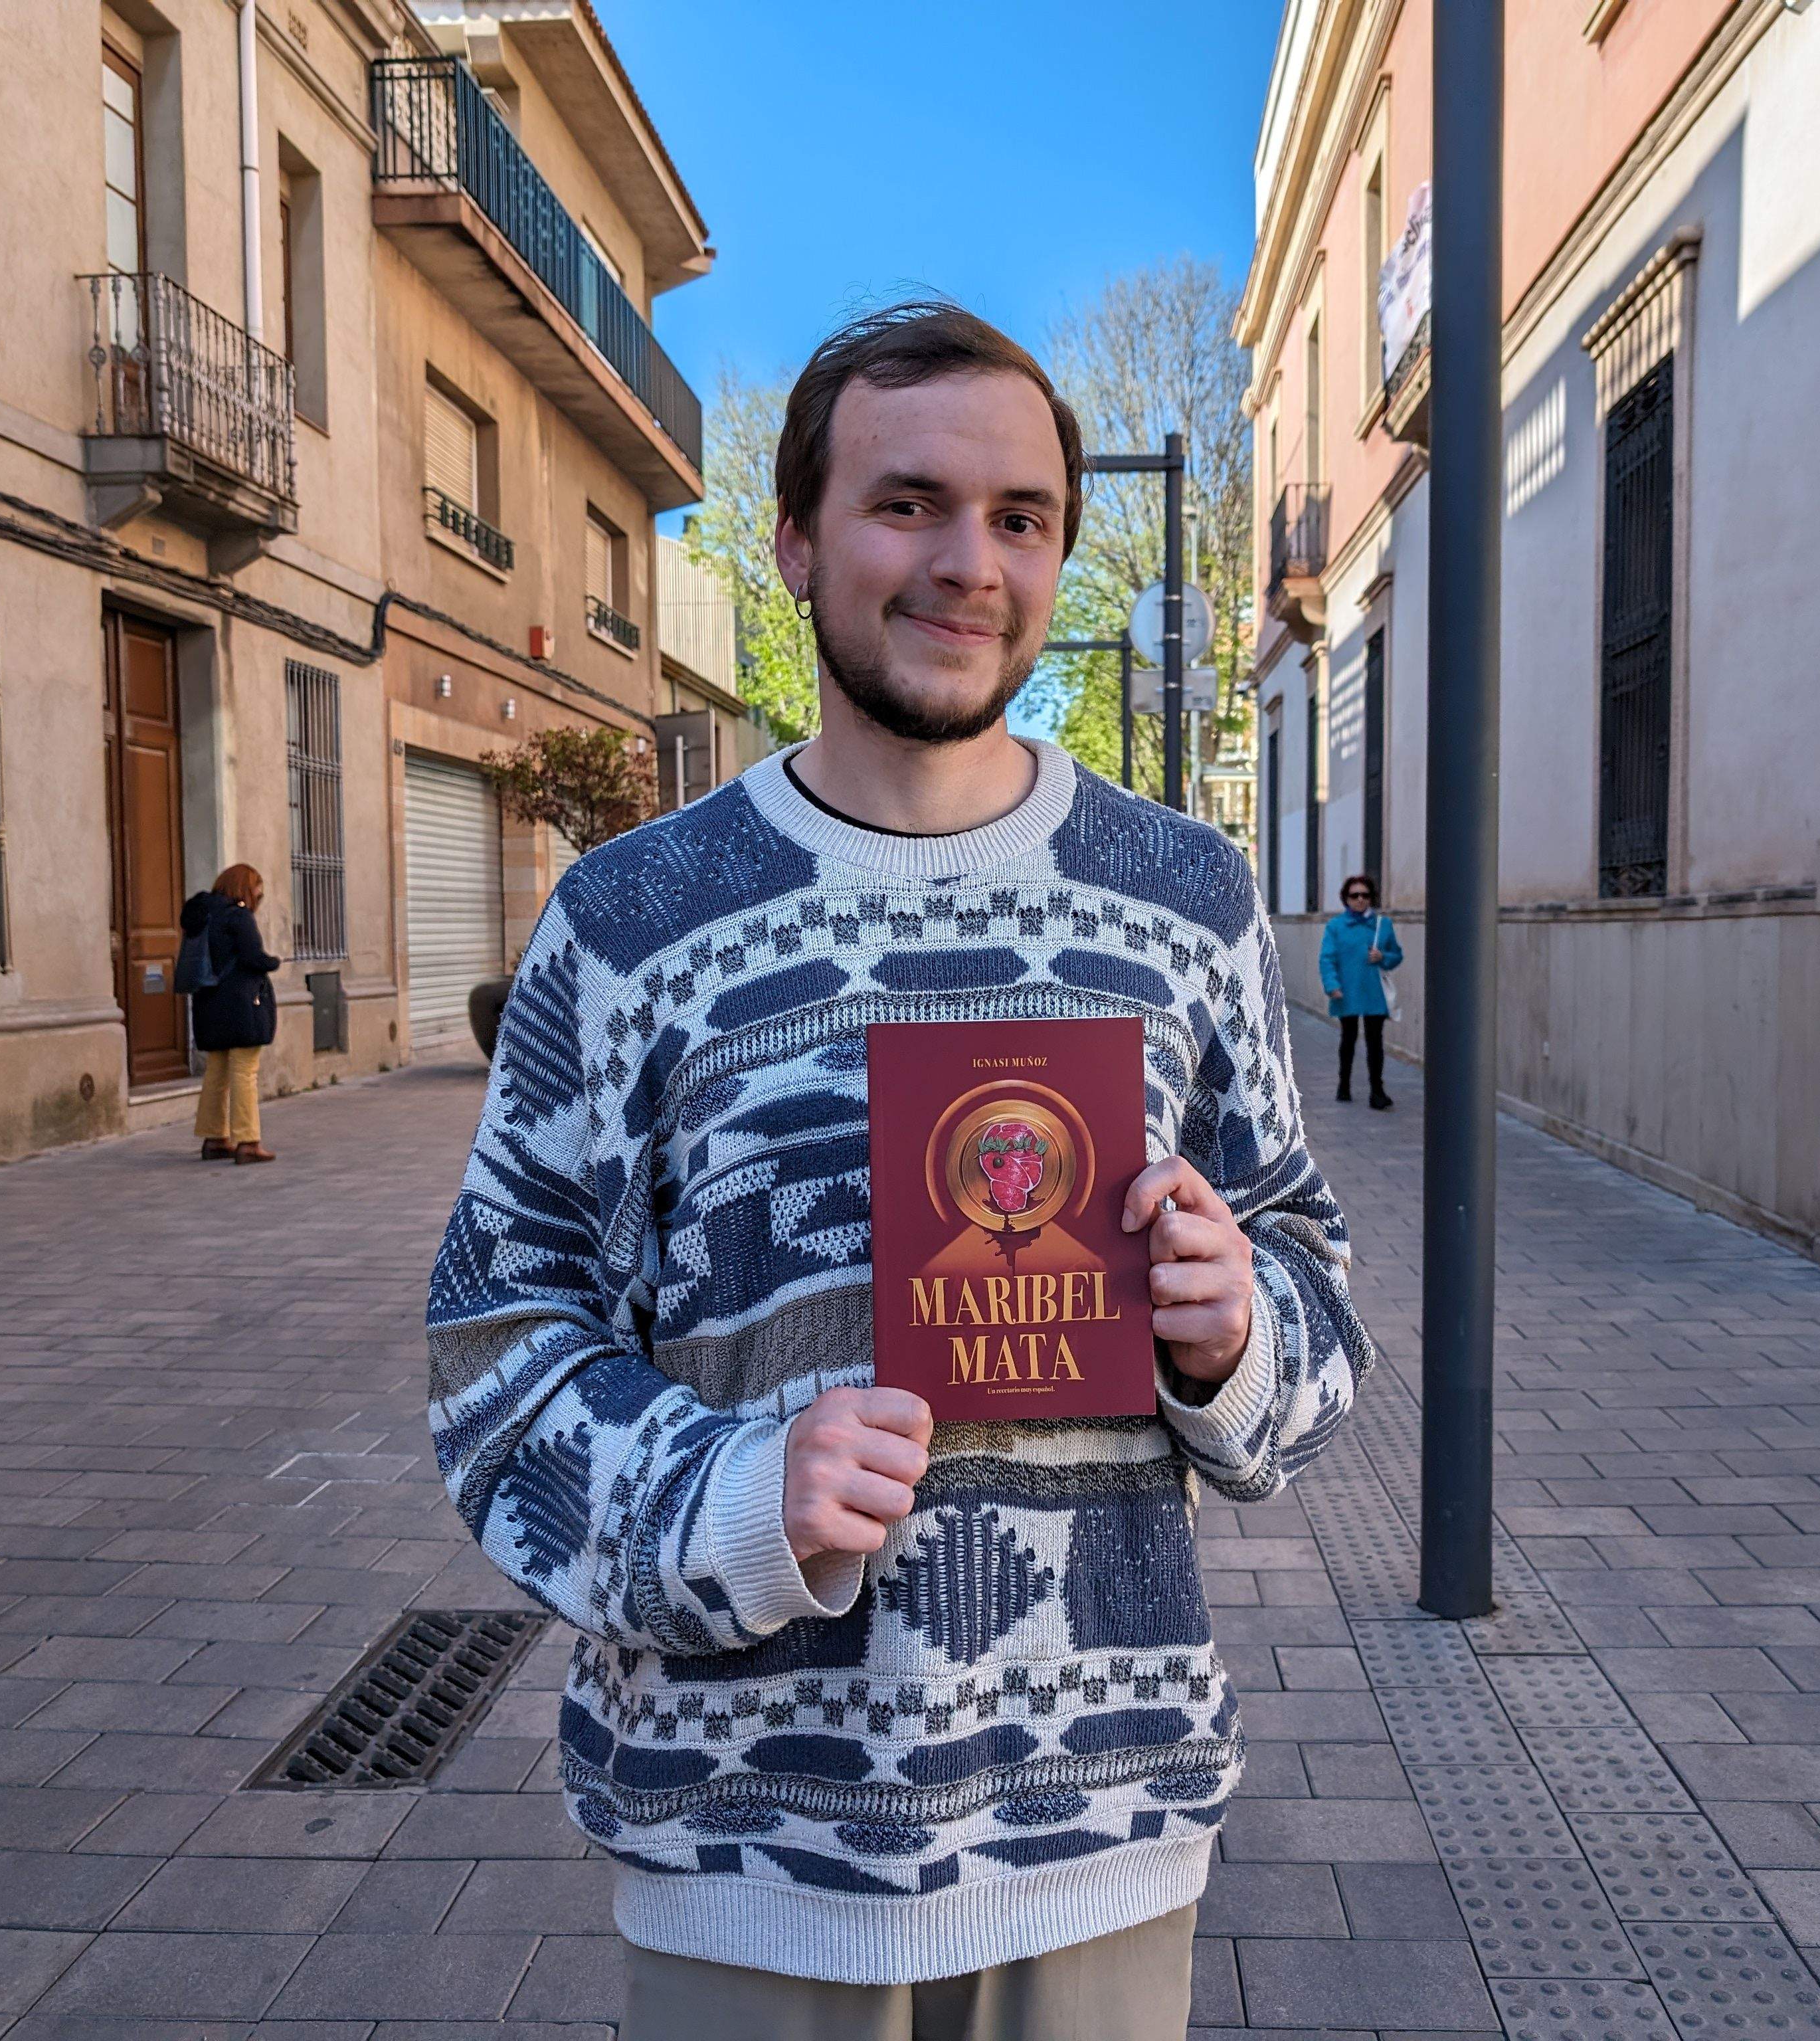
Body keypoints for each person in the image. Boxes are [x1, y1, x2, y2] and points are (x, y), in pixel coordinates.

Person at [424, 302, 1367, 2041]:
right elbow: (497, 1353)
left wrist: (1238, 1337)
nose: (969, 562)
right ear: (793, 540)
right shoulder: (628, 923)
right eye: (906, 504)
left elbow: (1310, 1277)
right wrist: (731, 1497)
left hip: (1104, 1835)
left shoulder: (1188, 900)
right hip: (743, 1856)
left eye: (1021, 519)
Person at [181, 863, 278, 1165]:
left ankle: (214, 1139)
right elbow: (252, 957)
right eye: (257, 890)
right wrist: (273, 962)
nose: (258, 897)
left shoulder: (201, 915)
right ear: (244, 888)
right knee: (244, 1072)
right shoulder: (238, 916)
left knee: (217, 1072)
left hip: (208, 1003)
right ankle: (248, 1142)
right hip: (240, 1004)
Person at [1319, 874, 1402, 1110]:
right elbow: (1327, 958)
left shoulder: (1382, 926)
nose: (1360, 900)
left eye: (1365, 895)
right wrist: (1332, 985)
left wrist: (1383, 957)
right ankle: (1343, 1085)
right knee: (1349, 1039)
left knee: (1375, 1042)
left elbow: (1397, 955)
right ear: (1346, 899)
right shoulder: (1335, 926)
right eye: (1354, 895)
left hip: (1374, 992)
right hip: (1347, 991)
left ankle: (1377, 1091)